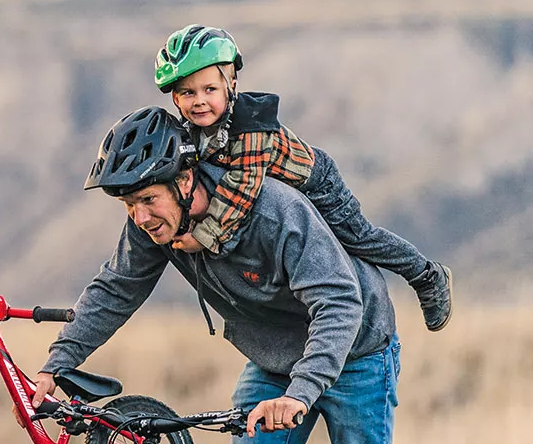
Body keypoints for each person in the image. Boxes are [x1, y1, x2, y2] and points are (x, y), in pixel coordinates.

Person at [31, 106, 419, 444]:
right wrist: (55, 367)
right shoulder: (158, 229)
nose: (139, 216)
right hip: (272, 361)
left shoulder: (274, 213)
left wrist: (302, 392)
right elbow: (114, 290)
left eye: (147, 200)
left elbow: (339, 303)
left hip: (355, 348)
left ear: (185, 180)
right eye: (128, 205)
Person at [154, 24, 454, 331]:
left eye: (209, 90)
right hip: (282, 200)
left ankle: (426, 275)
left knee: (356, 237)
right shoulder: (195, 131)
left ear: (231, 86)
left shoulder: (250, 130)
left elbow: (242, 187)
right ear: (176, 99)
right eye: (188, 93)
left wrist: (203, 236)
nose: (199, 101)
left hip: (316, 185)